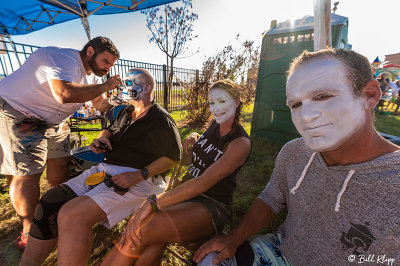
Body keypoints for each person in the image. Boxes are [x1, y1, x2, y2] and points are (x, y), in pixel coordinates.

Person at [194, 48, 400, 265]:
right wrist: (233, 239)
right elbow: (271, 199)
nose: (306, 116)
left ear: (370, 95)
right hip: (277, 253)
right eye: (296, 104)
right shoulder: (294, 152)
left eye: (323, 96)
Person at [19, 68, 182, 266]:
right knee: (50, 201)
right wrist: (101, 140)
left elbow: (173, 157)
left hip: (140, 180)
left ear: (146, 88)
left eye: (129, 83)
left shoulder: (160, 120)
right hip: (105, 171)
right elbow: (107, 130)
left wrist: (138, 175)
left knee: (73, 215)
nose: (124, 87)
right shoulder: (124, 112)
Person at [100, 80, 252, 265]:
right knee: (151, 244)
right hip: (185, 196)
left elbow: (202, 183)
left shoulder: (240, 143)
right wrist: (195, 137)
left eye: (222, 101)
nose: (216, 108)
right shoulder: (215, 124)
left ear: (236, 102)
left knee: (143, 228)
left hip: (210, 205)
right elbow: (209, 144)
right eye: (212, 103)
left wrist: (151, 203)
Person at [0, 36, 122, 249]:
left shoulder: (87, 78)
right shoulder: (65, 58)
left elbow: (102, 105)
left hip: (52, 120)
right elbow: (64, 94)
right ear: (90, 51)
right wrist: (105, 85)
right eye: (106, 61)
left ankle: (57, 207)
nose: (108, 68)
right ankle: (30, 231)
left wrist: (129, 108)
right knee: (26, 173)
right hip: (21, 113)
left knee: (60, 165)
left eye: (111, 65)